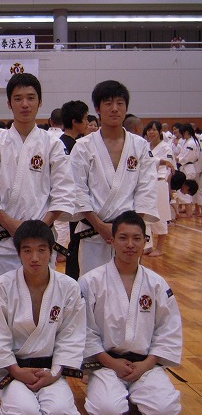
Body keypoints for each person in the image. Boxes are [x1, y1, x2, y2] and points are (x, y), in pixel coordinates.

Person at [79, 211, 182, 415]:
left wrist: (146, 365)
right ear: (112, 241)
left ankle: (136, 390)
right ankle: (120, 392)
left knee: (166, 413)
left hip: (145, 365)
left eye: (137, 238)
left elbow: (168, 330)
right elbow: (83, 330)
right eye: (123, 238)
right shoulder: (90, 282)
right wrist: (111, 363)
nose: (130, 245)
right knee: (106, 413)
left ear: (145, 241)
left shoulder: (157, 284)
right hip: (105, 364)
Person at [0, 220, 85, 415]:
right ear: (18, 253)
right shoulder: (1, 287)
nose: (35, 258)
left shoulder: (69, 287)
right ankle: (15, 396)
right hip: (12, 369)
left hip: (50, 369)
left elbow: (71, 335)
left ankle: (48, 392)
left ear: (51, 251)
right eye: (27, 251)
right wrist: (16, 370)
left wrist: (55, 373)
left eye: (41, 250)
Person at [0, 73, 75, 278]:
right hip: (6, 242)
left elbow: (63, 190)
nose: (25, 104)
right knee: (5, 295)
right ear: (9, 103)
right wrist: (10, 224)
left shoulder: (53, 145)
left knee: (43, 294)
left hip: (42, 240)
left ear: (40, 101)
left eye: (31, 98)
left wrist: (41, 227)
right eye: (18, 98)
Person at [70, 80, 158, 276]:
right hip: (94, 231)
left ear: (126, 107)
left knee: (128, 283)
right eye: (108, 103)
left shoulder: (140, 146)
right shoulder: (83, 146)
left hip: (129, 235)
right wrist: (99, 225)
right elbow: (77, 189)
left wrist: (129, 228)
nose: (115, 109)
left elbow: (146, 189)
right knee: (92, 284)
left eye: (120, 103)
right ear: (97, 108)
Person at [59, 100, 90, 279]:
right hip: (71, 201)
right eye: (84, 119)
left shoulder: (74, 143)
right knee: (76, 242)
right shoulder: (67, 145)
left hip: (73, 200)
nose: (87, 123)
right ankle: (73, 279)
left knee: (76, 242)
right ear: (74, 121)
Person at [143, 121, 175, 256]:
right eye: (149, 130)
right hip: (146, 183)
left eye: (154, 130)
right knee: (145, 215)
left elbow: (170, 167)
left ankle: (160, 248)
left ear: (160, 132)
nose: (151, 132)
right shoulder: (145, 146)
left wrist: (170, 190)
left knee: (160, 215)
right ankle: (148, 245)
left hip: (160, 182)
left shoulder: (166, 147)